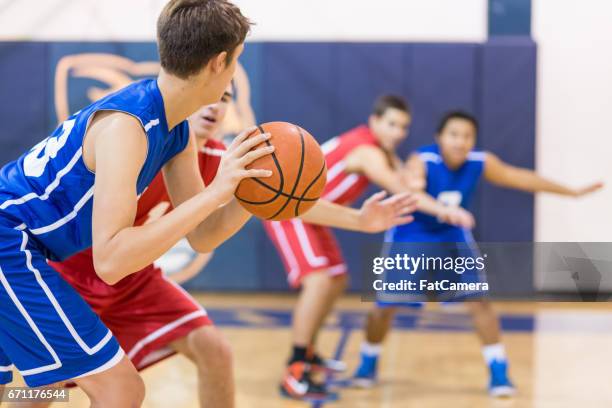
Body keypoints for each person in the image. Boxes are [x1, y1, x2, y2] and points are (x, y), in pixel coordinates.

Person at [13, 84, 415, 408]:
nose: (216, 106)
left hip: (135, 278)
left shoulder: (225, 159)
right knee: (42, 392)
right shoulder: (142, 138)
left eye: (226, 99)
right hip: (76, 275)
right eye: (211, 96)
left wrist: (359, 220)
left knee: (215, 350)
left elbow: (295, 201)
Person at [0, 1, 266, 405]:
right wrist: (216, 191)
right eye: (236, 62)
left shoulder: (173, 128)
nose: (233, 73)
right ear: (219, 62)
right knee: (119, 388)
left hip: (23, 245)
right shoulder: (129, 126)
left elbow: (202, 235)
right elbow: (110, 261)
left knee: (22, 390)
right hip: (9, 241)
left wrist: (252, 193)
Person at [353, 110, 603, 397]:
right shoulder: (422, 160)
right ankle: (368, 360)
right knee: (385, 306)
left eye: (467, 136)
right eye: (454, 135)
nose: (460, 142)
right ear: (439, 138)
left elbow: (519, 177)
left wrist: (570, 192)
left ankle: (498, 370)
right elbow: (414, 194)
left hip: (452, 236)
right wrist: (445, 210)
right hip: (412, 235)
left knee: (479, 302)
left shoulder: (479, 162)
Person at [263, 95, 473, 401]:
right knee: (319, 280)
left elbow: (407, 178)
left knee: (338, 280)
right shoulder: (366, 151)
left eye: (403, 126)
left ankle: (308, 353)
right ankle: (295, 369)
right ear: (374, 122)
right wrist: (445, 210)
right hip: (291, 211)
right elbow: (402, 189)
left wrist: (415, 172)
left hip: (318, 215)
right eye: (391, 124)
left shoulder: (383, 151)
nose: (398, 132)